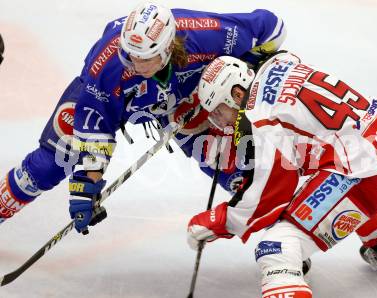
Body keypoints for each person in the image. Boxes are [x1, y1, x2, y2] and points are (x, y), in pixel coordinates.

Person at [0, 2, 287, 233]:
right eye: (130, 55)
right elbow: (97, 122)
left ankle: (286, 240)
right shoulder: (109, 65)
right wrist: (88, 182)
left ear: (168, 47)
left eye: (145, 58)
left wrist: (243, 76)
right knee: (51, 163)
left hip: (189, 98)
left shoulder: (208, 34)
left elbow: (271, 29)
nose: (136, 65)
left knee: (235, 167)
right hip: (103, 95)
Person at [186, 53, 377, 297]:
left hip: (370, 173)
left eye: (219, 112)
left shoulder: (257, 118)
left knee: (276, 248)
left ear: (237, 95)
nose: (221, 124)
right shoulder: (276, 66)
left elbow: (268, 197)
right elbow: (289, 58)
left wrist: (221, 219)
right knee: (328, 180)